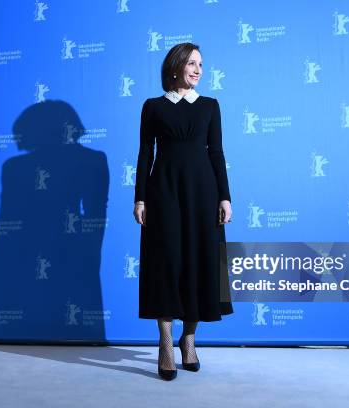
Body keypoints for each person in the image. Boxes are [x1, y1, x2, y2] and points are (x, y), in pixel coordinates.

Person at [132, 42, 234, 381]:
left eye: (201, 64)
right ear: (175, 67)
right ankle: (164, 341)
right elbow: (145, 154)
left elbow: (217, 153)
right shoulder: (153, 107)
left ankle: (188, 338)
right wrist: (140, 198)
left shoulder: (209, 106)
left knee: (199, 262)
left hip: (204, 194)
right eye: (192, 63)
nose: (198, 69)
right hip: (163, 193)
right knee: (166, 263)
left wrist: (225, 197)